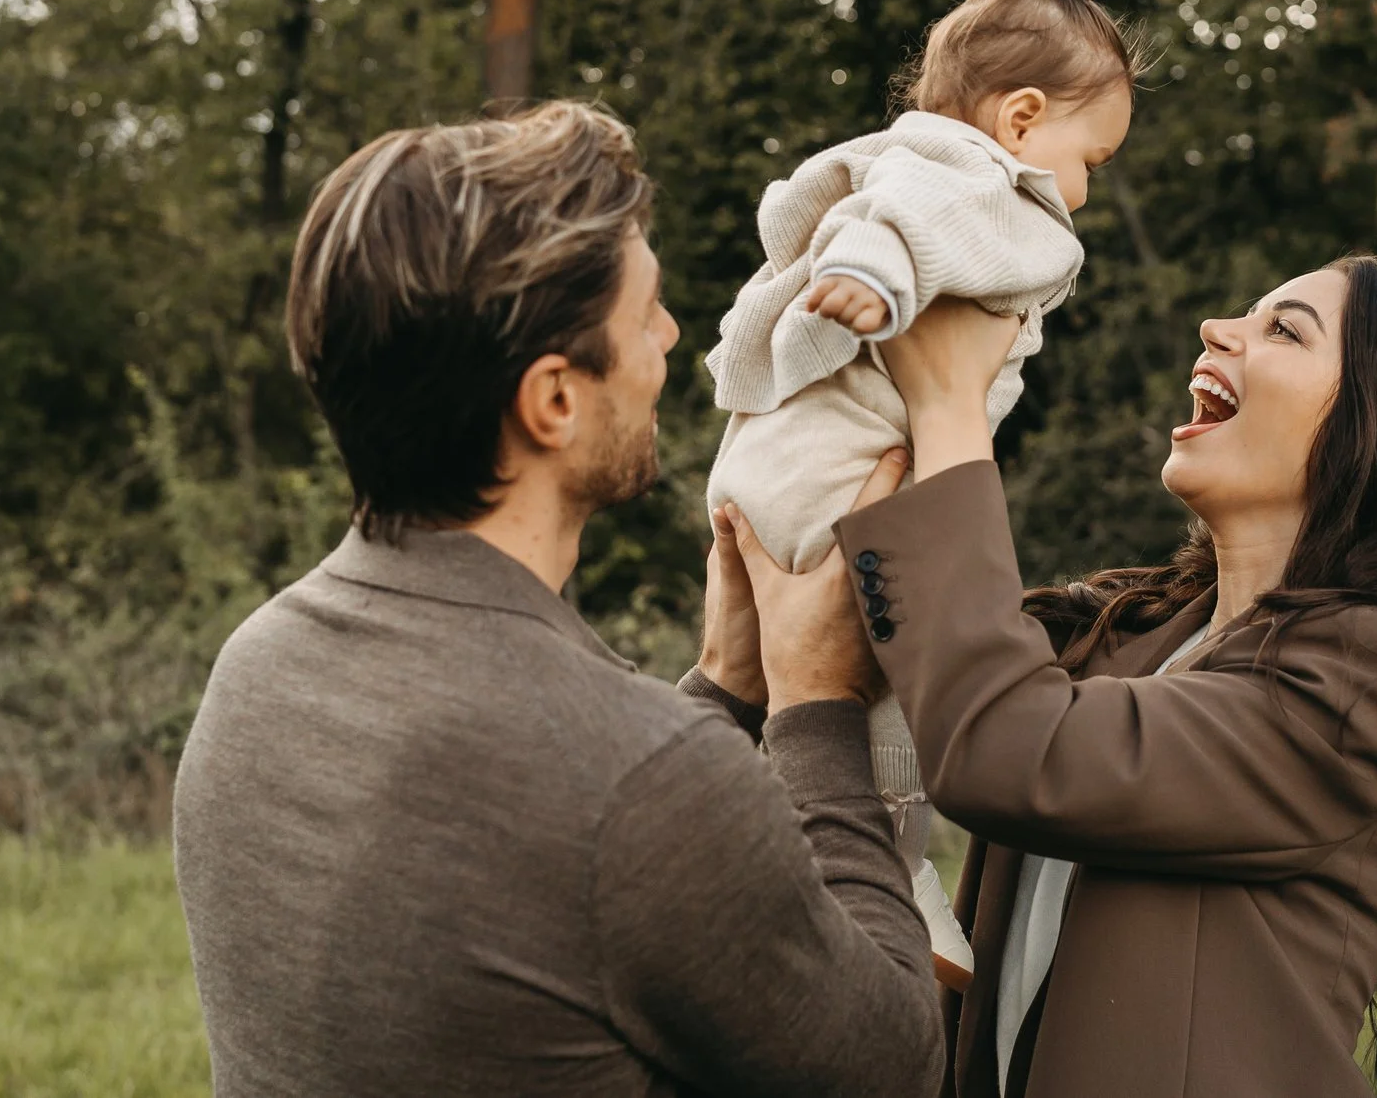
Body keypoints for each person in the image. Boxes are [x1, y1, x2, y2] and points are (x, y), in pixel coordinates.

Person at [171, 103, 945, 1098]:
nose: (670, 336)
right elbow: (890, 1067)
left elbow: (530, 886)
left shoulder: (259, 663)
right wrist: (816, 707)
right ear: (553, 399)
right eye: (645, 313)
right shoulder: (639, 779)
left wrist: (721, 686)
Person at [724, 258, 1377, 1098]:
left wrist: (951, 403)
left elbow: (1005, 745)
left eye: (1284, 329)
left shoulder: (1374, 675)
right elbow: (942, 663)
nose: (1217, 329)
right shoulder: (1136, 635)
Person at [703, 0, 1146, 982]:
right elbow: (897, 225)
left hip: (777, 466)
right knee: (900, 678)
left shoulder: (909, 157)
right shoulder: (962, 176)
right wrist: (876, 283)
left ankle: (774, 861)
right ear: (1022, 116)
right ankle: (890, 880)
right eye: (1089, 159)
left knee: (812, 691)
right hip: (835, 475)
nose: (1082, 188)